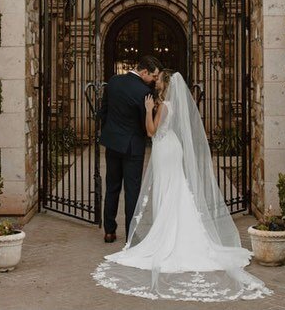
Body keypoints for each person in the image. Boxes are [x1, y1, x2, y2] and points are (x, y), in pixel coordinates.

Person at [93, 71, 273, 301]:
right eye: (154, 77)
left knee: (167, 190)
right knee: (174, 189)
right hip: (170, 148)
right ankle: (159, 230)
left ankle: (165, 234)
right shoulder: (169, 104)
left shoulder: (165, 105)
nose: (154, 82)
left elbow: (151, 131)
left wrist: (148, 111)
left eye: (158, 79)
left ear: (165, 84)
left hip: (165, 149)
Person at [98, 55, 161, 243]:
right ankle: (130, 235)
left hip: (112, 143)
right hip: (133, 146)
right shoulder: (144, 92)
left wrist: (110, 131)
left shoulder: (113, 81)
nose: (155, 80)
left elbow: (104, 111)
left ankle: (109, 231)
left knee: (112, 187)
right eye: (154, 76)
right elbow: (145, 124)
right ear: (143, 72)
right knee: (132, 190)